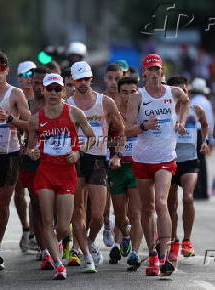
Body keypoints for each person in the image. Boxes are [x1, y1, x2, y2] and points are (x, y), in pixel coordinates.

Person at [125, 54, 189, 276]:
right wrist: (143, 126)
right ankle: (151, 254)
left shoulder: (173, 92)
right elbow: (127, 130)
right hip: (142, 159)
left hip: (165, 157)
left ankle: (164, 256)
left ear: (162, 71)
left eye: (157, 69)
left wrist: (181, 120)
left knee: (161, 203)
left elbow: (186, 102)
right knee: (147, 208)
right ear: (144, 72)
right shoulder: (137, 97)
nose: (154, 73)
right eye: (150, 69)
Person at [27, 73, 94, 280]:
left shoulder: (74, 113)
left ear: (63, 91)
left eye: (57, 89)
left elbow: (92, 137)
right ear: (44, 91)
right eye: (50, 89)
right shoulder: (36, 118)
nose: (54, 93)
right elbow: (29, 147)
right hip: (46, 172)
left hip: (66, 173)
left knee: (63, 226)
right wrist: (33, 152)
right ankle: (58, 264)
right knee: (47, 220)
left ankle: (57, 243)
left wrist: (79, 153)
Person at [67, 61, 125, 273]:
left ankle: (90, 241)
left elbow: (121, 130)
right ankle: (85, 251)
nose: (83, 83)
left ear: (91, 78)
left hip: (99, 160)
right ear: (73, 80)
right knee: (78, 210)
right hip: (75, 160)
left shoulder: (106, 102)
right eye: (79, 79)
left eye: (86, 79)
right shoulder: (68, 104)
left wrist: (117, 153)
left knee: (98, 215)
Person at [0, 51, 31, 271]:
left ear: (7, 70)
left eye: (2, 68)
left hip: (11, 154)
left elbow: (30, 123)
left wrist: (10, 119)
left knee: (3, 205)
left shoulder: (16, 94)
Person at [166, 76, 210, 262]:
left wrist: (205, 141)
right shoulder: (165, 111)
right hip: (169, 160)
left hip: (190, 160)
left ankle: (187, 240)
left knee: (188, 197)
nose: (182, 93)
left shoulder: (196, 110)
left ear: (188, 91)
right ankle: (174, 241)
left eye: (184, 90)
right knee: (171, 204)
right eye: (177, 90)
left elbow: (205, 125)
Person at [107, 77, 143, 267]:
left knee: (136, 213)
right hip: (116, 168)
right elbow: (101, 140)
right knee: (121, 215)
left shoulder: (143, 113)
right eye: (125, 92)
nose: (129, 96)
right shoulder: (113, 114)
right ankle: (125, 236)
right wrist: (116, 143)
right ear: (119, 94)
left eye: (133, 92)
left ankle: (135, 254)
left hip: (137, 167)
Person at [14, 60, 37, 251]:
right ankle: (25, 228)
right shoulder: (15, 96)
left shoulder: (42, 97)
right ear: (19, 78)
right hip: (18, 150)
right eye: (25, 76)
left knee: (36, 193)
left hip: (38, 151)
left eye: (32, 75)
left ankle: (35, 234)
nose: (29, 80)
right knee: (19, 192)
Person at [102, 64, 124, 248]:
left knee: (120, 196)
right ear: (104, 79)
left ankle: (120, 231)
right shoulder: (100, 100)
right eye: (110, 78)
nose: (113, 82)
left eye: (117, 78)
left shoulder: (128, 98)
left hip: (124, 152)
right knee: (105, 195)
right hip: (102, 151)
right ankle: (106, 224)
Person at [189, 77, 214, 200]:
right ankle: (203, 191)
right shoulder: (206, 103)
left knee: (195, 162)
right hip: (203, 134)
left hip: (194, 133)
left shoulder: (191, 102)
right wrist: (210, 139)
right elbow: (209, 122)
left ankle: (197, 190)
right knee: (202, 163)